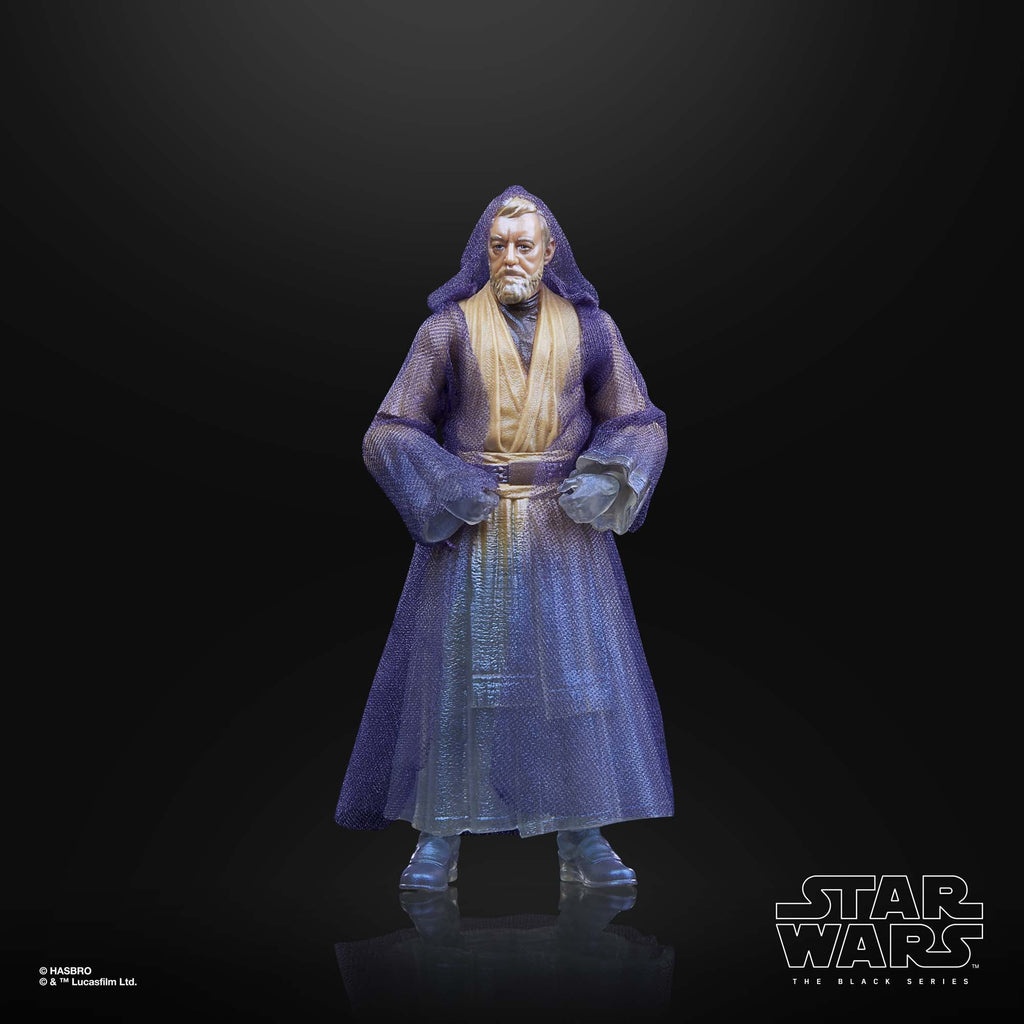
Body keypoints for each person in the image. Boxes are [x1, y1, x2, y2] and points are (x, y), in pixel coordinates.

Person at [335, 186, 673, 889]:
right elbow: (390, 430)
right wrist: (449, 484)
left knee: (577, 682)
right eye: (498, 245)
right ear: (482, 252)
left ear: (550, 252)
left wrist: (608, 476)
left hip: (563, 529)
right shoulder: (448, 331)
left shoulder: (593, 329)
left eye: (524, 245)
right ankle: (438, 834)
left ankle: (583, 834)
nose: (510, 257)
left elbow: (637, 419)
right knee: (460, 680)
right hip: (477, 530)